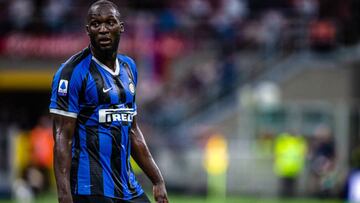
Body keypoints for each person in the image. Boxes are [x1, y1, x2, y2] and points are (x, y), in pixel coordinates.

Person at [49, 1, 168, 203]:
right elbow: (62, 137)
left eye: (110, 23)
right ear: (88, 30)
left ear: (120, 27)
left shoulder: (129, 68)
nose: (103, 30)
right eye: (96, 24)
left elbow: (132, 129)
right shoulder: (71, 73)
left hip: (128, 186)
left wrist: (157, 180)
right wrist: (64, 195)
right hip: (90, 188)